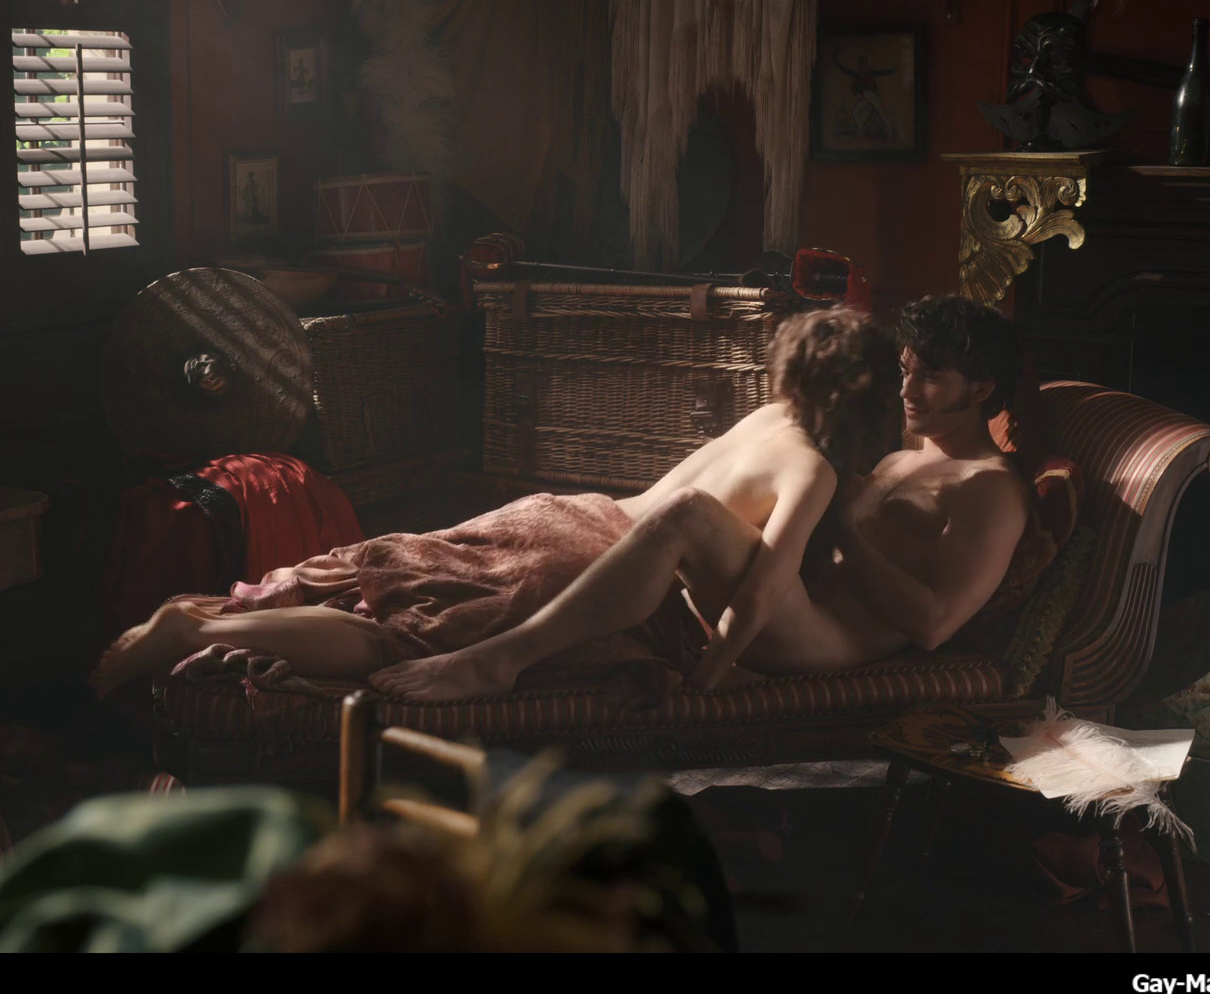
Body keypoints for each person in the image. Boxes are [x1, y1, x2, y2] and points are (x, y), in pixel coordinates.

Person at [92, 306, 902, 699]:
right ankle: (198, 631)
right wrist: (709, 682)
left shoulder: (766, 419)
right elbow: (759, 592)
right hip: (597, 561)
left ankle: (202, 616)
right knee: (401, 645)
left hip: (565, 514)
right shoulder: (812, 467)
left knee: (386, 588)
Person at [365, 294, 1032, 700]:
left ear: (982, 389)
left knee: (688, 514)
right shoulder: (905, 450)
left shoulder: (989, 489)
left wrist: (844, 533)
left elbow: (936, 625)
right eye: (906, 371)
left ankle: (500, 661)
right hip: (775, 605)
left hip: (819, 640)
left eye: (932, 378)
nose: (908, 390)